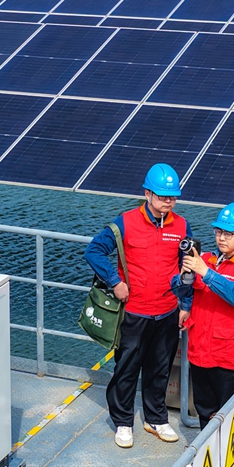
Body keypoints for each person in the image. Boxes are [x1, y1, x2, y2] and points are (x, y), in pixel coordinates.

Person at [84, 163, 193, 449]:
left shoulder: (181, 226)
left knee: (160, 368)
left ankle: (155, 418)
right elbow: (93, 250)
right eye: (161, 196)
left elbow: (188, 266)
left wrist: (186, 303)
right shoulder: (125, 222)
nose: (167, 201)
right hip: (134, 311)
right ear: (147, 193)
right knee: (127, 369)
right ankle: (123, 422)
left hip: (168, 311)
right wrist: (114, 281)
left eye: (172, 196)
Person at [171, 202, 234, 467]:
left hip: (229, 357)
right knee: (204, 410)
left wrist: (204, 272)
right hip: (201, 350)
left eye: (228, 233)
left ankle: (226, 459)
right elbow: (181, 288)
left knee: (227, 413)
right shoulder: (208, 259)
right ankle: (207, 454)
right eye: (218, 231)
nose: (221, 237)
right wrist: (184, 277)